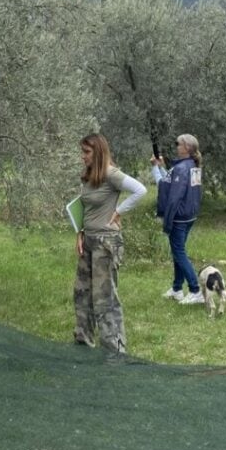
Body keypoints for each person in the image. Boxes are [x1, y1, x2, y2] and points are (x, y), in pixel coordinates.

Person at [73, 133, 146, 353]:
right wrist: (80, 232)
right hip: (89, 240)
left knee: (104, 298)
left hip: (106, 242)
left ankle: (114, 349)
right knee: (81, 292)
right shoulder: (89, 175)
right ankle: (83, 341)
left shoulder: (111, 173)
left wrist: (119, 211)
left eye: (86, 152)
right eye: (82, 151)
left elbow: (140, 190)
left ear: (99, 152)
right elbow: (85, 207)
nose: (82, 156)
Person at [152, 133, 203, 304]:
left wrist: (167, 220)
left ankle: (196, 290)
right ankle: (177, 288)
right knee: (177, 252)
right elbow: (168, 181)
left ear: (187, 147)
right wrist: (158, 167)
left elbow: (173, 196)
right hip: (189, 215)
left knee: (179, 253)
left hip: (179, 218)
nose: (176, 146)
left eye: (178, 144)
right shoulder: (191, 166)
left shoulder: (182, 168)